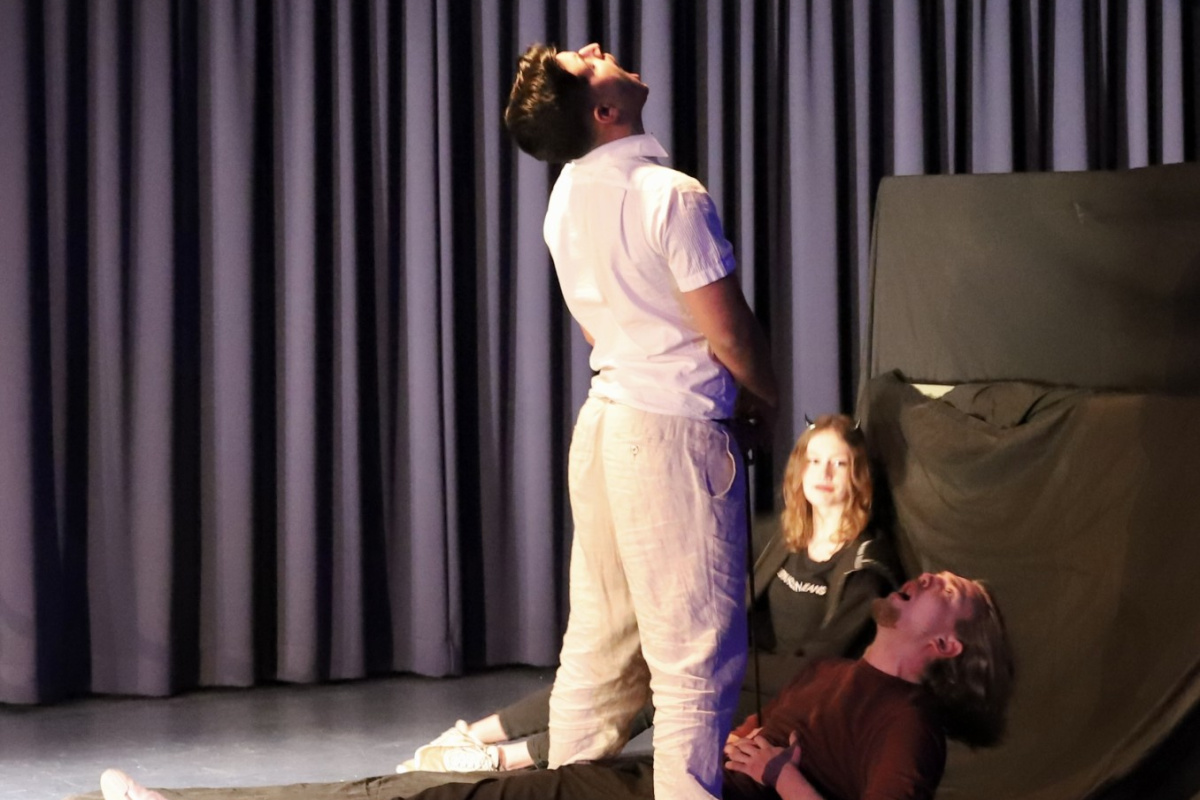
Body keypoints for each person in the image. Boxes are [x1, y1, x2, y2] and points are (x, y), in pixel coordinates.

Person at [98, 571, 1014, 800]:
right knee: (426, 793)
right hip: (656, 780)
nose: (925, 578)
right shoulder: (836, 670)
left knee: (435, 798)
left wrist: (781, 776)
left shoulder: (908, 726)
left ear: (946, 647)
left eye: (948, 590)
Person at [502, 41, 778, 800]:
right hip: (669, 436)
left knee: (597, 652)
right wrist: (763, 395)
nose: (598, 49)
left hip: (606, 426)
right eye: (586, 62)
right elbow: (729, 334)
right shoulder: (670, 196)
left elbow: (596, 326)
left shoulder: (566, 195)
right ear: (604, 110)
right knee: (694, 665)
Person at [398, 415, 901, 774]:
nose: (824, 474)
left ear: (858, 475)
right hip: (744, 669)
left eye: (838, 464)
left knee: (662, 683)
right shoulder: (780, 534)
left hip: (794, 692)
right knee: (625, 665)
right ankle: (475, 734)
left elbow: (821, 667)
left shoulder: (865, 563)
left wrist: (715, 660)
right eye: (815, 461)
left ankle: (503, 758)